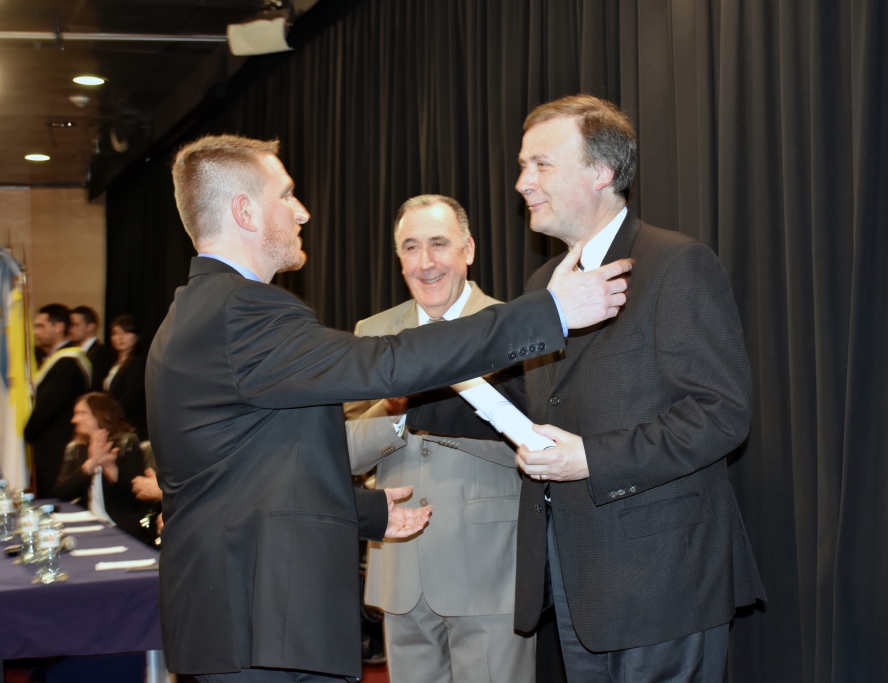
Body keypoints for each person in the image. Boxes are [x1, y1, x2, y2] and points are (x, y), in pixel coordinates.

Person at [145, 134, 630, 682]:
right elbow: (388, 363)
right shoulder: (241, 314)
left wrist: (372, 513)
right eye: (286, 194)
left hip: (246, 617)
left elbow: (260, 473)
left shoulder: (205, 310)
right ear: (244, 211)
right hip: (255, 623)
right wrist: (550, 311)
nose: (301, 210)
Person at [412, 95, 766, 682]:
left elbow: (720, 414)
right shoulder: (543, 283)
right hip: (580, 579)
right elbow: (534, 403)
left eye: (541, 165)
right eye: (523, 166)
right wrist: (408, 404)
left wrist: (589, 459)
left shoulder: (676, 264)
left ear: (601, 173)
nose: (522, 182)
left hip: (664, 581)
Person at [345, 195, 535, 683]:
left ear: (468, 249)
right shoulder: (373, 333)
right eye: (410, 247)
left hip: (489, 570)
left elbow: (540, 438)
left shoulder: (514, 328)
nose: (425, 262)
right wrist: (394, 415)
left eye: (438, 244)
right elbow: (340, 449)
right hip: (400, 570)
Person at [54, 392, 156, 545]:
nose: (74, 420)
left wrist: (111, 470)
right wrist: (89, 465)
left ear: (100, 413)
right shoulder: (75, 448)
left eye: (82, 413)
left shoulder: (125, 443)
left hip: (120, 528)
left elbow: (137, 498)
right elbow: (61, 493)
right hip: (87, 525)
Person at [24, 303, 91, 497]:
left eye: (40, 326)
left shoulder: (68, 362)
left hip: (57, 450)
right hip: (51, 449)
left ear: (59, 327)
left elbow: (47, 407)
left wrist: (27, 432)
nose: (36, 332)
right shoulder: (57, 360)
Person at [104, 314, 148, 441]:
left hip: (131, 426)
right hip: (115, 426)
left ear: (137, 336)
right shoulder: (114, 364)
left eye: (126, 332)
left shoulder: (137, 363)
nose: (120, 338)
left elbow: (130, 398)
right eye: (115, 333)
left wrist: (109, 418)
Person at [69, 305, 114, 391]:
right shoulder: (72, 351)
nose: (70, 329)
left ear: (90, 326)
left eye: (75, 325)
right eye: (70, 325)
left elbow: (96, 386)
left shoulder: (101, 353)